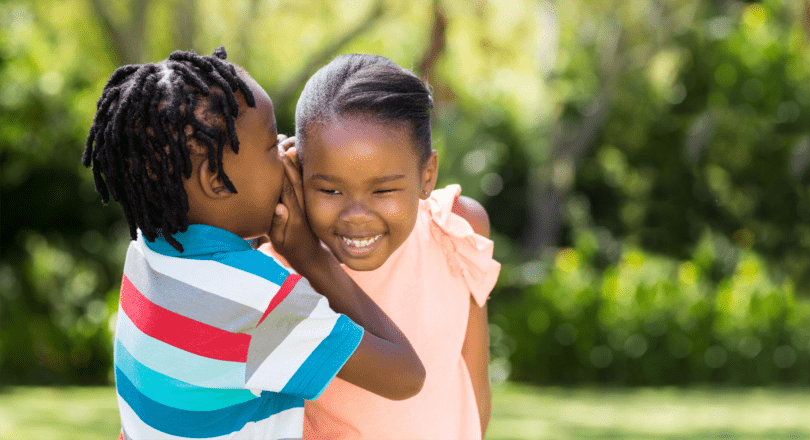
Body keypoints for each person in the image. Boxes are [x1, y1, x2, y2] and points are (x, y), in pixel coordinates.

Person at [82, 47, 424, 440]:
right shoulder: (259, 303)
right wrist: (311, 258)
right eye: (269, 145)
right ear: (216, 179)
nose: (286, 153)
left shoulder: (148, 250)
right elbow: (405, 375)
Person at [263, 54, 500, 439]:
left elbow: (474, 383)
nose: (356, 215)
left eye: (384, 189)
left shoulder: (457, 228)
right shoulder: (277, 265)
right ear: (297, 172)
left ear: (427, 176)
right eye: (330, 189)